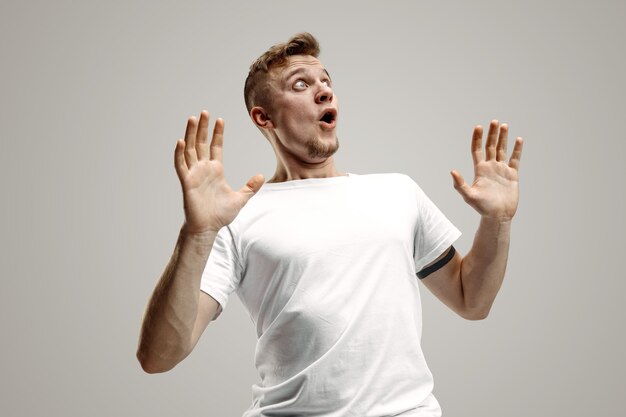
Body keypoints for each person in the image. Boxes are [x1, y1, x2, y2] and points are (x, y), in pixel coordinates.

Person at [137, 33, 524, 416]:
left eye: (326, 82)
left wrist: (497, 220)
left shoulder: (397, 192)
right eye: (301, 84)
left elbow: (471, 300)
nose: (323, 91)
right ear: (263, 116)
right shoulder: (237, 217)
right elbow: (158, 357)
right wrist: (197, 234)